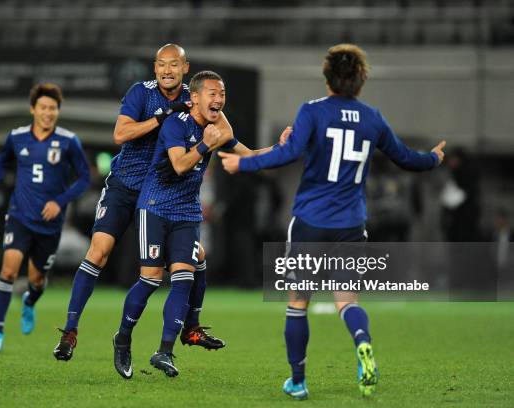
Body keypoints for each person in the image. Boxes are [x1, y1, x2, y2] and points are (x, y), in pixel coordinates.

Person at [219, 44, 446, 399]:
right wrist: (433, 158)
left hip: (310, 221)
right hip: (351, 224)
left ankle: (298, 381)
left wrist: (241, 164)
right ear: (360, 80)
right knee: (347, 301)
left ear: (327, 77)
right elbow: (406, 159)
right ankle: (363, 344)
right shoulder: (373, 117)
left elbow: (289, 153)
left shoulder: (312, 111)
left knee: (298, 301)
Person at [53, 44, 233, 363]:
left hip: (162, 194)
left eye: (173, 65)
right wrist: (159, 118)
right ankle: (70, 331)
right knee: (99, 251)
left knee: (195, 259)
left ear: (185, 69)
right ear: (154, 68)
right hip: (126, 186)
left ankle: (190, 327)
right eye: (161, 64)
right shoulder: (142, 93)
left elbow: (226, 133)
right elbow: (121, 134)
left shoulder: (196, 101)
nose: (167, 70)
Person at [115, 70, 285, 378]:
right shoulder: (175, 124)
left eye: (222, 94)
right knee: (151, 279)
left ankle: (165, 351)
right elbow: (179, 164)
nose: (219, 99)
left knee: (184, 275)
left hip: (187, 213)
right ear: (194, 98)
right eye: (212, 93)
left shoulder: (218, 126)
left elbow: (249, 157)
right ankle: (123, 337)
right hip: (154, 208)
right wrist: (206, 145)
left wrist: (282, 148)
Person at [0, 83, 90, 353]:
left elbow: (85, 178)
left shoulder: (68, 140)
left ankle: (29, 301)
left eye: (52, 108)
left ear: (58, 111)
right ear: (33, 109)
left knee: (37, 280)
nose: (48, 113)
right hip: (19, 216)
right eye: (43, 107)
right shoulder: (16, 137)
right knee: (8, 270)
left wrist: (59, 202)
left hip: (50, 223)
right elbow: (2, 162)